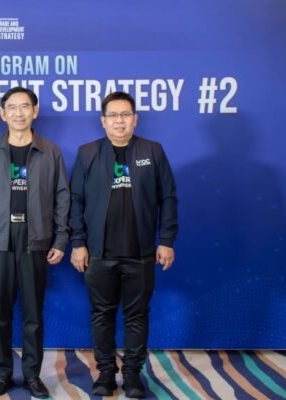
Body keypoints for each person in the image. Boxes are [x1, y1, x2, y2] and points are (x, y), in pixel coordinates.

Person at [69, 91, 178, 398]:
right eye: (113, 116)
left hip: (140, 253)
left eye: (125, 115)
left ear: (135, 119)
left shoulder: (152, 151)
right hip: (99, 253)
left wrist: (166, 240)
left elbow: (168, 198)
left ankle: (132, 375)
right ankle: (105, 373)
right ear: (103, 121)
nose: (120, 121)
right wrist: (78, 242)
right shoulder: (88, 153)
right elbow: (75, 201)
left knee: (137, 316)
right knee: (101, 315)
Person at [0, 87, 70, 399]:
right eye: (12, 107)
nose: (19, 113)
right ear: (3, 114)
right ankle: (2, 373)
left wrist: (61, 238)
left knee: (33, 313)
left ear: (35, 111)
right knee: (0, 312)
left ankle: (32, 375)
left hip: (35, 239)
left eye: (25, 106)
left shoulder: (50, 151)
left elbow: (62, 197)